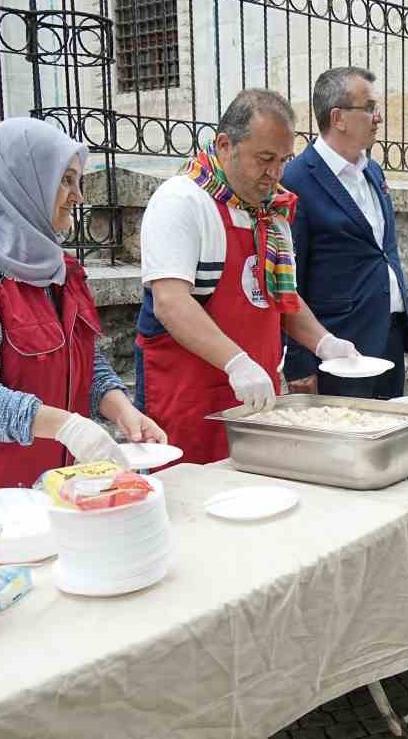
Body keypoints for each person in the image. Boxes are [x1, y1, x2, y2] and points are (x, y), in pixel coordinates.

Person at [0, 117, 165, 516]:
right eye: (65, 181)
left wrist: (124, 411)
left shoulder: (58, 270)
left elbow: (85, 362)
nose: (78, 196)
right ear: (20, 183)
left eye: (78, 182)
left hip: (44, 489)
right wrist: (68, 426)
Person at [134, 89, 362, 463]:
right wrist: (236, 363)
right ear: (225, 145)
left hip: (256, 396)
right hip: (188, 394)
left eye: (284, 160)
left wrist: (325, 342)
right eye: (265, 159)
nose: (275, 173)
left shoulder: (270, 214)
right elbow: (171, 302)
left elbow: (280, 296)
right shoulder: (181, 201)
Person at [281, 67, 408, 399]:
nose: (378, 117)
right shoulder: (297, 178)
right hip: (337, 351)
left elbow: (383, 249)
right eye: (369, 107)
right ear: (338, 117)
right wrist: (300, 366)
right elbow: (287, 280)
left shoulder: (372, 170)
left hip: (388, 337)